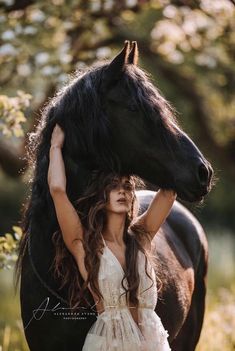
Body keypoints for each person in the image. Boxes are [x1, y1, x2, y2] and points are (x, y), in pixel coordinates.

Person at [47, 124, 177, 351]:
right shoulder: (83, 244)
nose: (123, 191)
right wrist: (56, 146)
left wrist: (150, 141)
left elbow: (169, 191)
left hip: (152, 344)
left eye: (127, 186)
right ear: (101, 195)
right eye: (114, 186)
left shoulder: (142, 235)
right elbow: (57, 190)